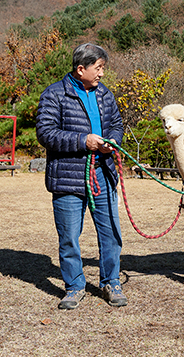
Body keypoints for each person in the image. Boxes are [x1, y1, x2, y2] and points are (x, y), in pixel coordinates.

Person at [36, 43, 126, 309]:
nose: (101, 74)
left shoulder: (105, 94)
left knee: (110, 233)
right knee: (69, 237)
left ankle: (111, 281)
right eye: (98, 68)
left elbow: (117, 125)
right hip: (68, 177)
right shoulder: (54, 94)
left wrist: (113, 142)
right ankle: (75, 286)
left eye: (102, 68)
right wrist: (82, 141)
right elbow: (45, 133)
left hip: (103, 174)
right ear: (80, 69)